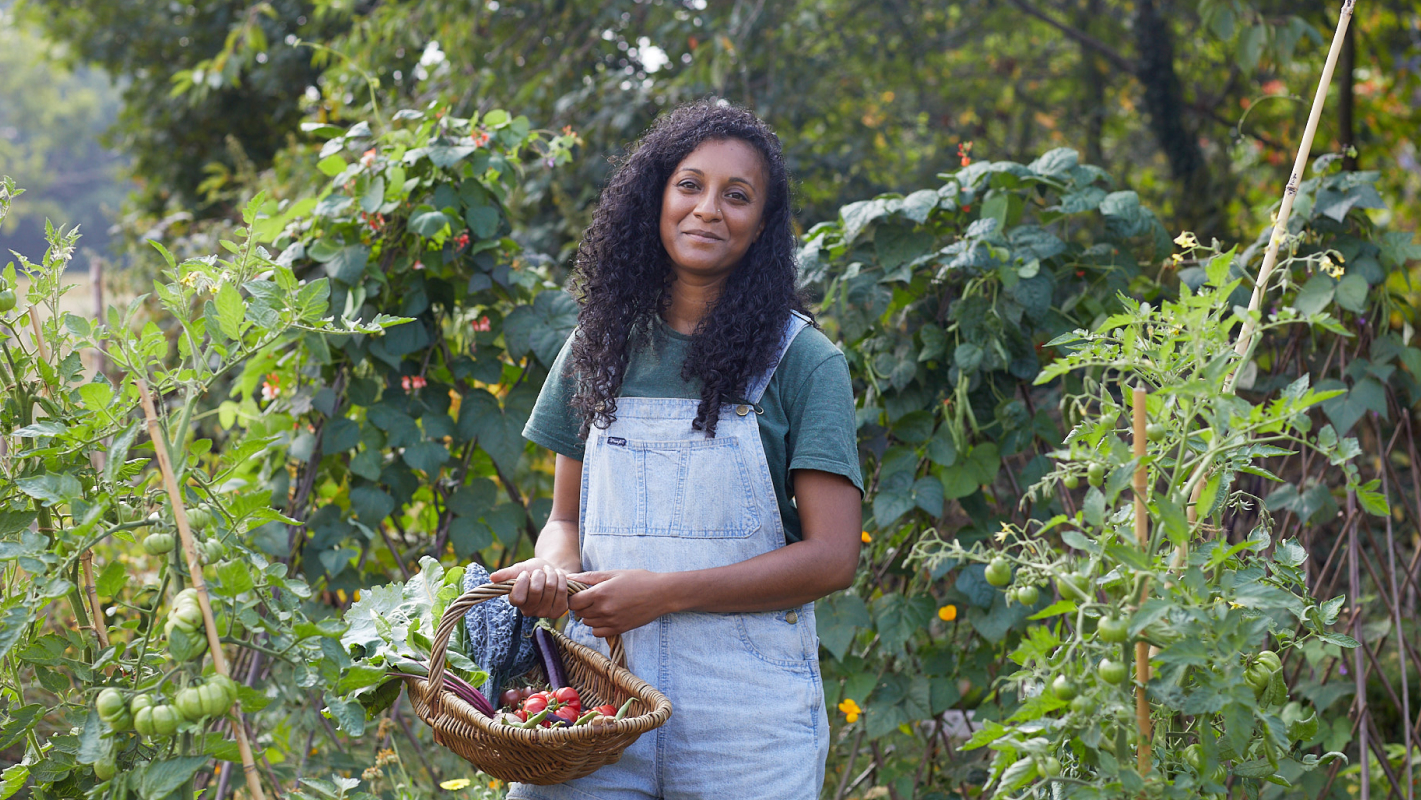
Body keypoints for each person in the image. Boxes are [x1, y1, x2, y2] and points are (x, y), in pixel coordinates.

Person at [490, 99, 863, 799]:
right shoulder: (596, 348)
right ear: (655, 199)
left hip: (747, 719)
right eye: (690, 185)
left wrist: (664, 594)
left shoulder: (804, 361)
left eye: (737, 196)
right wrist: (553, 573)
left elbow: (833, 556)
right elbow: (564, 521)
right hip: (594, 698)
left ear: (762, 225)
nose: (708, 210)